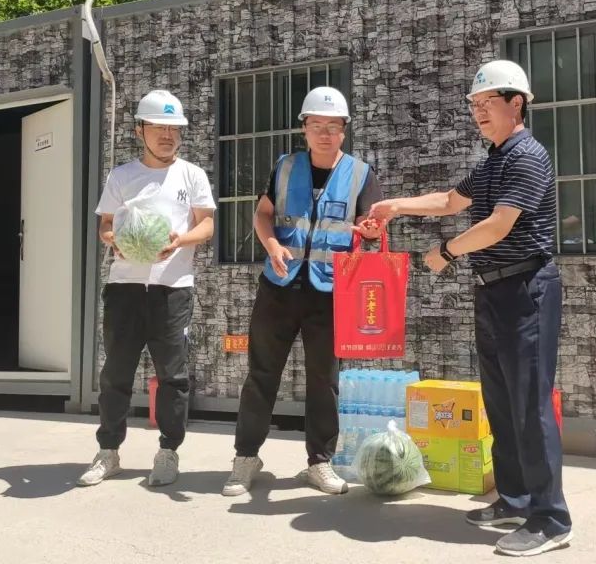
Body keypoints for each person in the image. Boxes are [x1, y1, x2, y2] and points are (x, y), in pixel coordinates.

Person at [369, 60, 572, 557]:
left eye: (487, 103)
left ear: (516, 103)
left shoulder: (527, 156)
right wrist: (395, 205)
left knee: (530, 405)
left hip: (526, 289)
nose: (479, 112)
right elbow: (448, 201)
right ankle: (516, 499)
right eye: (474, 105)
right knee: (501, 402)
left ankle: (551, 519)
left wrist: (446, 251)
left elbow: (500, 225)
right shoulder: (493, 161)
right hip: (493, 291)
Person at [222, 86, 383, 497]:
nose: (324, 134)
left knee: (324, 380)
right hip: (279, 286)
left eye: (333, 126)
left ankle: (319, 463)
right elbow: (263, 214)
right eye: (316, 125)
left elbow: (373, 226)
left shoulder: (361, 174)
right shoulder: (286, 166)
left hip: (329, 292)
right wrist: (271, 245)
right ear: (304, 129)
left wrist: (370, 230)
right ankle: (245, 457)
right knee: (261, 374)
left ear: (344, 130)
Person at [78, 89, 216, 487]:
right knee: (115, 373)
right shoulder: (122, 176)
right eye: (158, 127)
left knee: (173, 375)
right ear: (140, 130)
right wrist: (116, 241)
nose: (167, 136)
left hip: (172, 288)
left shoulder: (192, 175)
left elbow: (207, 224)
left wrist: (180, 240)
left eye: (174, 129)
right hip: (124, 287)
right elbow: (106, 225)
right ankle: (108, 452)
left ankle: (168, 452)